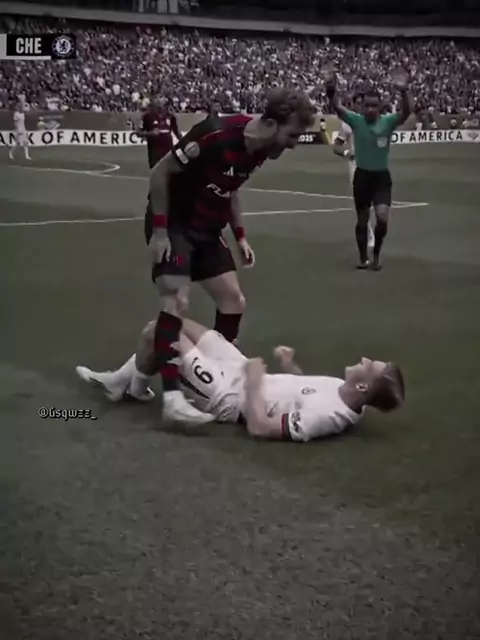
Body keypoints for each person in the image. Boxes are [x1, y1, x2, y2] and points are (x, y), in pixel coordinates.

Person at [145, 88, 316, 425]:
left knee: (233, 301)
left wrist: (240, 235)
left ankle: (203, 376)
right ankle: (173, 399)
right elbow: (159, 173)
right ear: (270, 124)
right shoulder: (214, 135)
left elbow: (231, 188)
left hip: (207, 230)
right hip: (175, 224)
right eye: (293, 135)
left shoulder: (259, 150)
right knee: (176, 300)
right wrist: (161, 231)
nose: (294, 144)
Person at [75, 318, 405, 438]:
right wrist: (289, 365)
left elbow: (259, 427)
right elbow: (302, 390)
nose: (364, 359)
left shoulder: (327, 417)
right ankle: (128, 385)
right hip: (241, 369)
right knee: (174, 319)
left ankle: (130, 386)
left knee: (158, 331)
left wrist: (253, 380)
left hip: (229, 397)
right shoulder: (344, 393)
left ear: (364, 385)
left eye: (370, 365)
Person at [326, 70, 413, 270]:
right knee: (362, 221)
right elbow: (337, 107)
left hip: (381, 178)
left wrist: (404, 91)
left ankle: (376, 254)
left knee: (382, 220)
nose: (370, 109)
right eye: (367, 105)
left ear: (380, 106)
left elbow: (407, 113)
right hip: (362, 177)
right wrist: (330, 89)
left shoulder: (388, 122)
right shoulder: (355, 121)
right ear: (362, 106)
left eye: (374, 105)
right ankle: (363, 258)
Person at [333, 93, 375, 253]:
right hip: (356, 167)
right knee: (363, 203)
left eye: (363, 103)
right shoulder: (348, 124)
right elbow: (336, 146)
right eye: (358, 103)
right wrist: (347, 153)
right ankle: (369, 234)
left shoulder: (374, 121)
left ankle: (372, 231)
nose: (361, 106)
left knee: (377, 201)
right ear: (353, 105)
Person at [136, 96, 182, 169]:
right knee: (156, 171)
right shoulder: (147, 116)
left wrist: (184, 142)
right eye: (159, 99)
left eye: (165, 103)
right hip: (155, 151)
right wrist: (150, 133)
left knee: (170, 171)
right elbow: (138, 132)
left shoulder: (171, 116)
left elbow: (177, 132)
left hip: (168, 149)